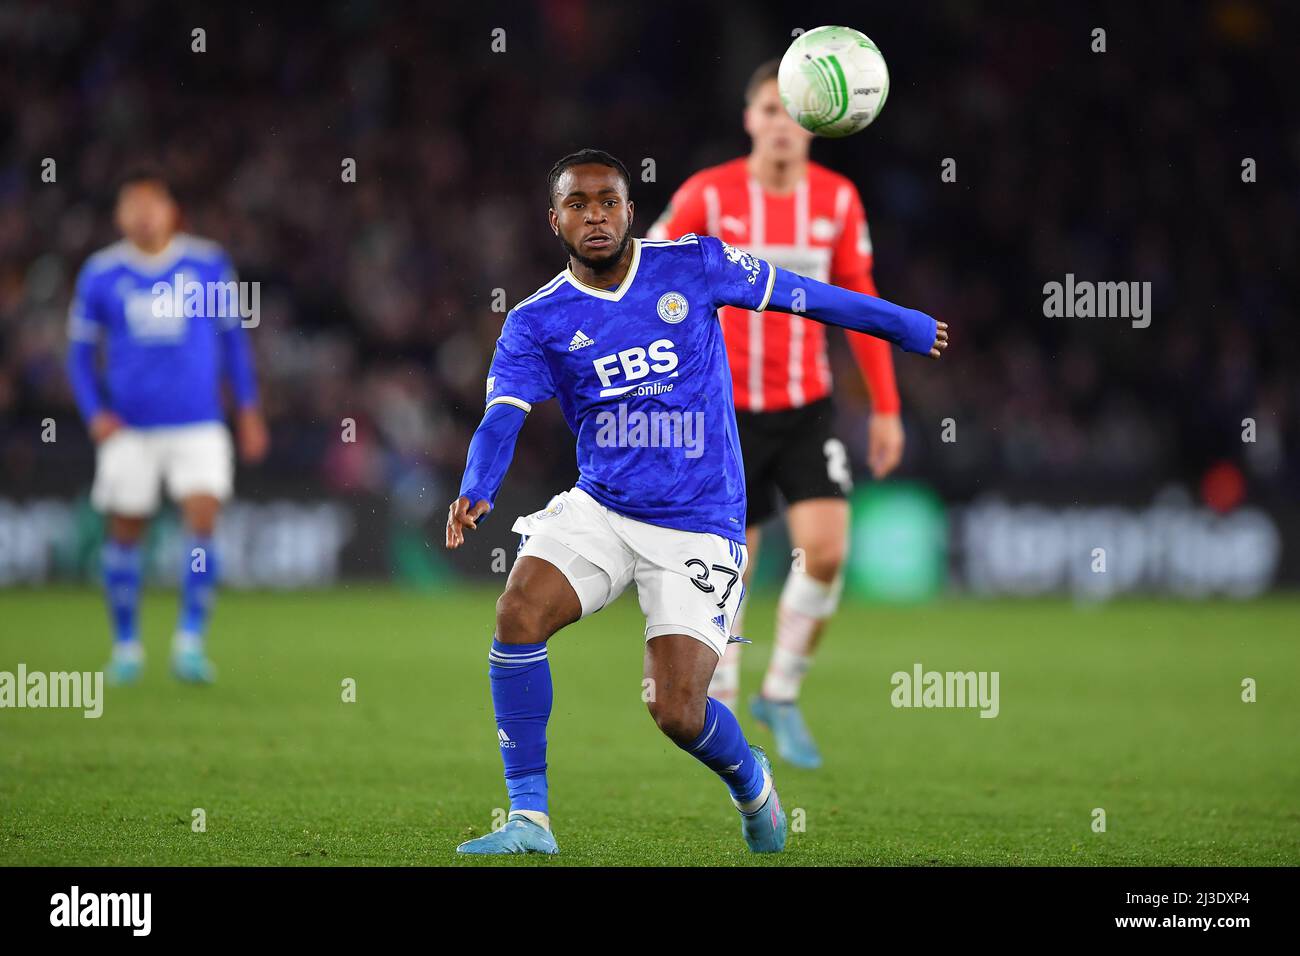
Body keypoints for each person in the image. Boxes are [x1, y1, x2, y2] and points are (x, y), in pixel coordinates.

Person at [445, 148, 946, 855]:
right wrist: (477, 486)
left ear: (629, 210)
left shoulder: (691, 266)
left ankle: (751, 781)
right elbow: (503, 414)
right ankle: (530, 818)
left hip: (700, 522)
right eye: (578, 204)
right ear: (553, 219)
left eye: (608, 201)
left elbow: (804, 293)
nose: (595, 216)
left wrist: (901, 326)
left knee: (677, 711)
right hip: (604, 507)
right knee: (517, 611)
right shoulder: (537, 320)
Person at [647, 59, 908, 767]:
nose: (780, 125)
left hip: (806, 407)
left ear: (819, 121)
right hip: (722, 412)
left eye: (792, 112)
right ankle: (724, 715)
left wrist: (886, 408)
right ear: (748, 119)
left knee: (826, 551)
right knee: (737, 564)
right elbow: (651, 271)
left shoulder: (838, 200)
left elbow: (862, 303)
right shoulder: (710, 193)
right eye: (768, 110)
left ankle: (782, 693)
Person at [65, 170, 268, 685]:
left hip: (198, 423)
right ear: (119, 216)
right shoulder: (101, 274)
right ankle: (127, 644)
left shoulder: (206, 263)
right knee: (126, 529)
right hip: (129, 428)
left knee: (202, 519)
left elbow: (233, 343)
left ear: (171, 211)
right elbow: (79, 354)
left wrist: (247, 410)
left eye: (151, 204)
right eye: (131, 205)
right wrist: (94, 414)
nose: (143, 214)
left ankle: (190, 641)